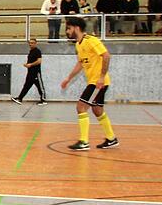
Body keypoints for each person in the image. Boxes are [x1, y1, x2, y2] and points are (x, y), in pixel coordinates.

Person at [61, 16, 119, 151]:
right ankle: (111, 139)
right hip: (95, 81)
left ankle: (84, 141)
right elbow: (81, 63)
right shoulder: (78, 44)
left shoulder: (91, 40)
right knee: (97, 110)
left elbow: (106, 55)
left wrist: (101, 77)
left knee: (81, 107)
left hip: (97, 82)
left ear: (76, 28)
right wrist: (68, 78)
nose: (67, 32)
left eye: (68, 29)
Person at [11, 38, 47, 105]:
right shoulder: (31, 51)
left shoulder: (37, 51)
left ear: (36, 44)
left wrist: (30, 64)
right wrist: (27, 64)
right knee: (26, 86)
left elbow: (39, 61)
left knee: (40, 86)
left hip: (36, 73)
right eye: (30, 43)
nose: (30, 44)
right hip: (30, 73)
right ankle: (20, 98)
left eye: (32, 43)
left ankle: (43, 100)